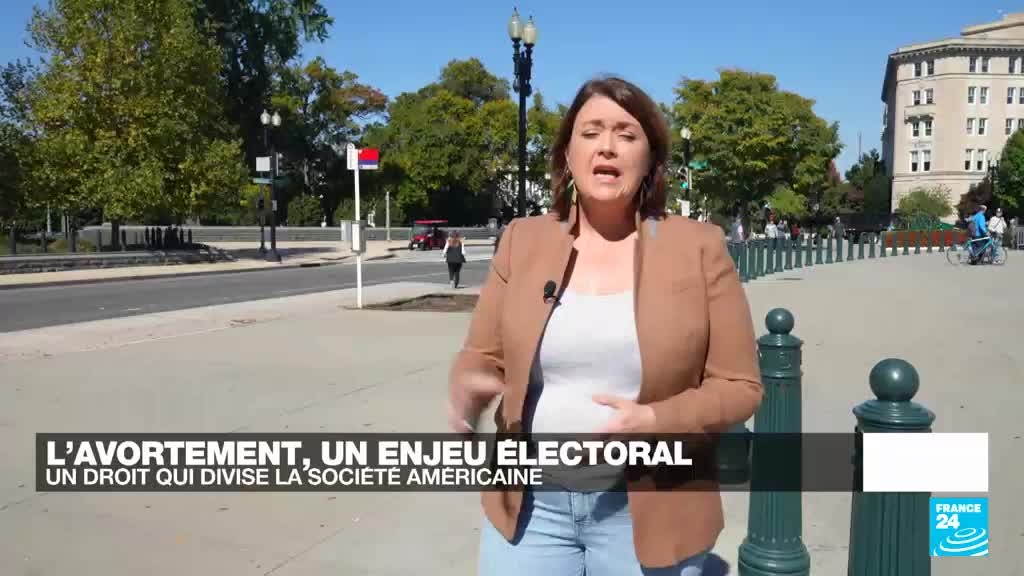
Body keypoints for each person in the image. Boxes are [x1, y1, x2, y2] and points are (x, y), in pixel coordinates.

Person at [448, 76, 763, 575]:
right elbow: (482, 354)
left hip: (651, 511)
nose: (608, 147)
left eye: (626, 134)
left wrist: (654, 420)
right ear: (567, 155)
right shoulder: (522, 240)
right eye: (591, 132)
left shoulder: (698, 247)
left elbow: (740, 386)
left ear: (650, 159)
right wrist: (467, 388)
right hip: (530, 509)